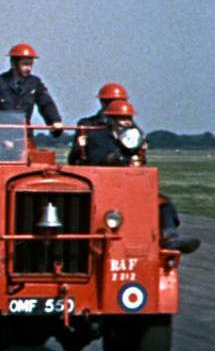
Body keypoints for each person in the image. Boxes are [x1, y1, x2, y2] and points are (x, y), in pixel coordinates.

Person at [74, 99, 200, 253]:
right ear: (111, 120)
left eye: (129, 118)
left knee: (163, 203)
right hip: (104, 184)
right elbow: (95, 158)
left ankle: (170, 237)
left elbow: (139, 158)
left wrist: (139, 156)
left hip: (128, 182)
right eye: (121, 118)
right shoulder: (97, 136)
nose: (126, 122)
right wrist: (114, 158)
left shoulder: (133, 135)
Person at [0, 43, 63, 137]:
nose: (28, 68)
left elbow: (46, 104)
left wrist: (55, 121)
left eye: (31, 64)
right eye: (25, 64)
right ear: (13, 63)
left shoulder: (35, 83)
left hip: (24, 137)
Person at [68, 82, 128, 165]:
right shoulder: (86, 125)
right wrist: (79, 147)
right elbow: (73, 158)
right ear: (102, 102)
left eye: (119, 102)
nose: (114, 105)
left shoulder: (130, 128)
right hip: (93, 171)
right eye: (109, 101)